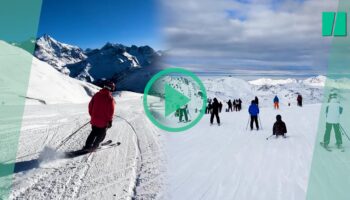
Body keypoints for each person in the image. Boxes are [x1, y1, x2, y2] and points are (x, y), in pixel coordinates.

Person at [84, 80, 116, 151]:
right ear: (111, 88)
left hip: (94, 120)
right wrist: (110, 121)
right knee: (101, 135)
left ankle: (87, 146)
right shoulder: (110, 99)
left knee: (93, 133)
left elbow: (90, 106)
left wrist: (92, 115)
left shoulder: (96, 95)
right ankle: (95, 146)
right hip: (103, 123)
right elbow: (111, 112)